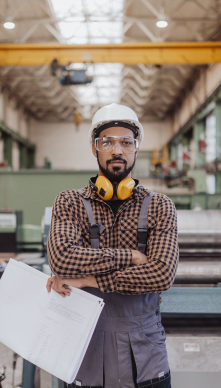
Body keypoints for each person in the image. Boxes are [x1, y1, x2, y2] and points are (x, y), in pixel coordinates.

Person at [46, 103, 179, 388]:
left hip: (146, 357)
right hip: (85, 348)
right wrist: (131, 256)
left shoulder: (159, 205)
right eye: (107, 142)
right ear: (95, 148)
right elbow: (62, 260)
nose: (117, 150)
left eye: (126, 142)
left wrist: (87, 279)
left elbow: (162, 274)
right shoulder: (69, 202)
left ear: (136, 148)